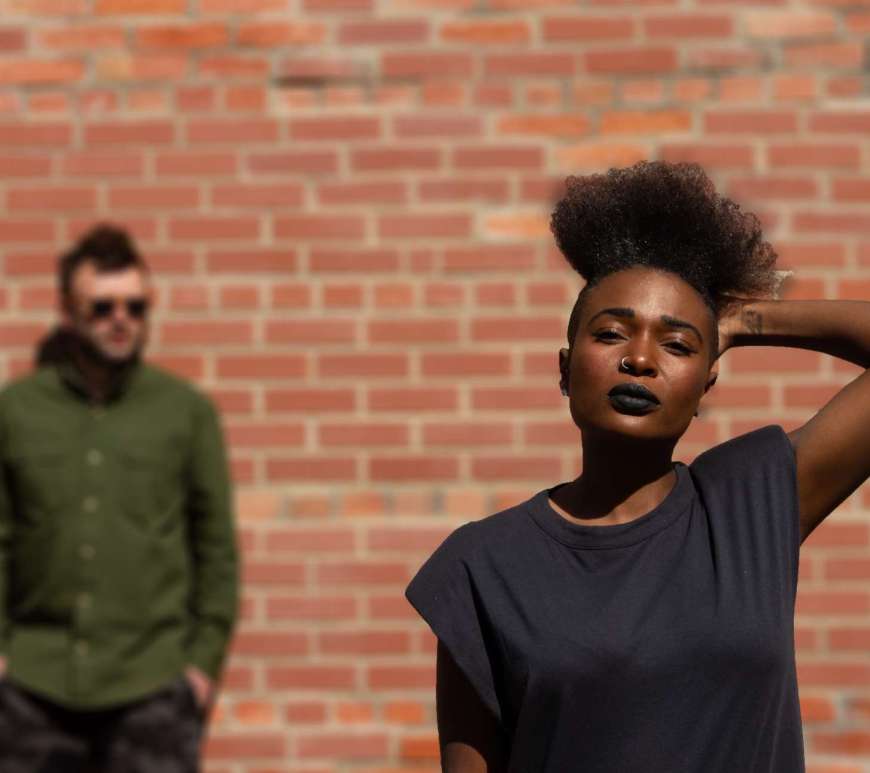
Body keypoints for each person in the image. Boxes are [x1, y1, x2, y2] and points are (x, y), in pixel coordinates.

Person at [405, 161, 870, 773]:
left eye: (677, 345)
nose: (641, 359)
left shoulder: (750, 502)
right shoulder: (485, 564)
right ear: (565, 370)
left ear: (706, 386)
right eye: (611, 334)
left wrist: (741, 318)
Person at [0, 225, 239, 772]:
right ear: (68, 311)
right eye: (102, 306)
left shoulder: (185, 413)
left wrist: (201, 667)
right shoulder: (15, 412)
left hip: (152, 685)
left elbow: (216, 551)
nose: (121, 320)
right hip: (33, 685)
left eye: (136, 306)